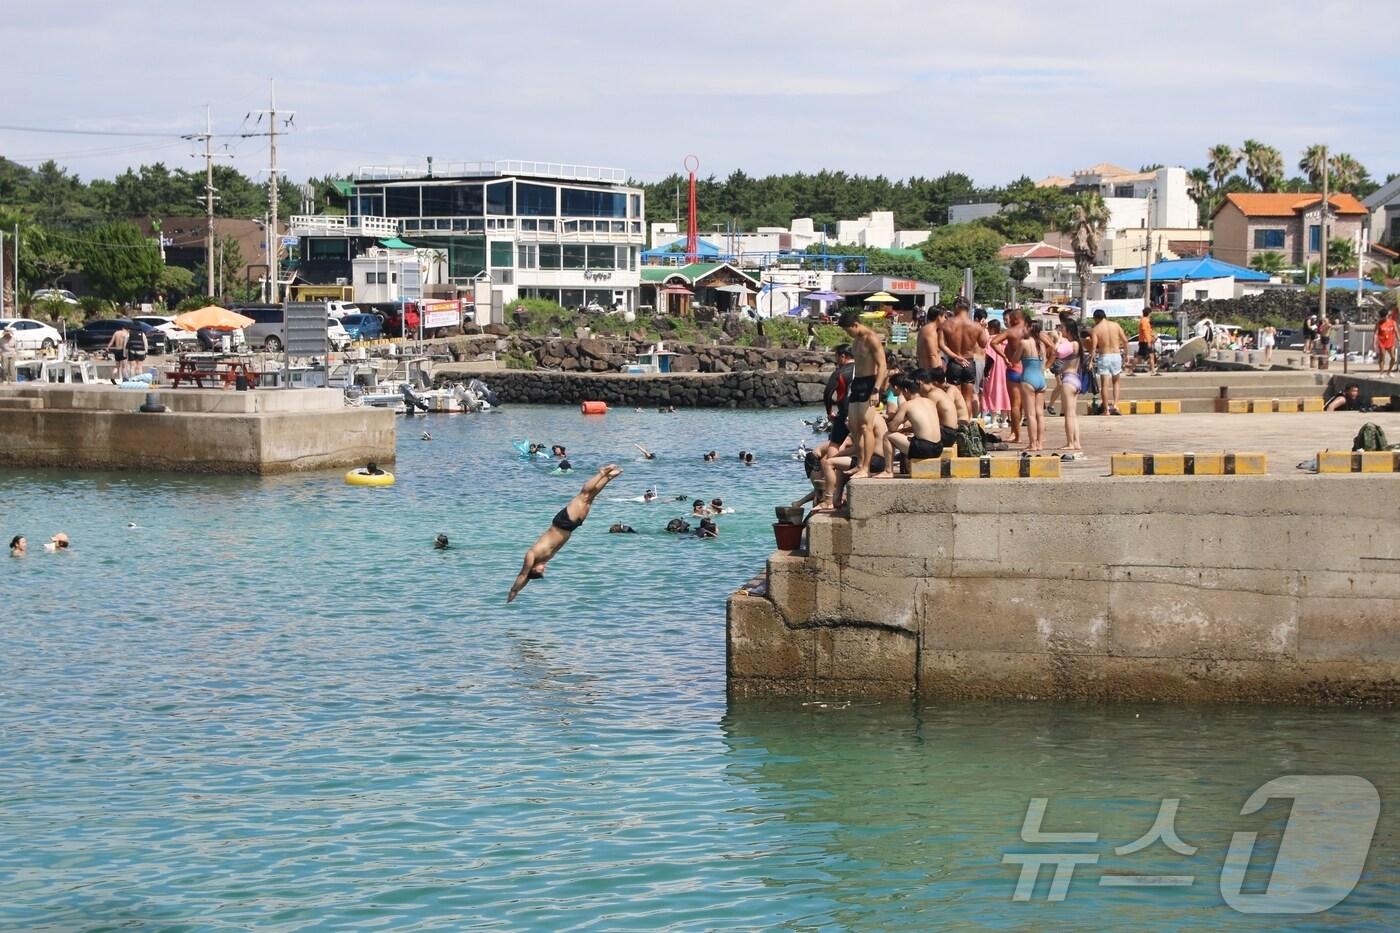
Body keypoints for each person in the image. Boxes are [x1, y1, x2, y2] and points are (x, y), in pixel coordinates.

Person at [507, 464, 623, 602]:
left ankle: (601, 473)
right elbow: (527, 579)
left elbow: (523, 575)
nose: (544, 568)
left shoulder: (531, 555)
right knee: (589, 499)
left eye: (540, 570)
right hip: (571, 527)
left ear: (533, 568)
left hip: (561, 523)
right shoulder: (544, 558)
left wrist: (514, 591)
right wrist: (520, 591)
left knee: (583, 496)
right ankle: (608, 478)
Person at [838, 307, 888, 479]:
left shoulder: (871, 339)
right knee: (854, 426)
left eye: (847, 329)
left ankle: (866, 468)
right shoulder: (856, 340)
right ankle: (859, 463)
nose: (847, 333)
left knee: (867, 427)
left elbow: (883, 366)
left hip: (869, 384)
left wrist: (876, 389)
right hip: (857, 383)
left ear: (855, 324)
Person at [884, 370, 958, 471]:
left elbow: (892, 428)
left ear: (905, 390)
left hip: (925, 448)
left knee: (888, 436)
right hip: (938, 448)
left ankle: (888, 471)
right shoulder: (929, 402)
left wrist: (891, 420)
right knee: (912, 437)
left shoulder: (907, 405)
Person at [940, 298, 989, 416]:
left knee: (955, 397)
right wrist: (983, 328)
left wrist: (955, 356)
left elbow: (941, 345)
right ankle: (966, 425)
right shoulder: (976, 326)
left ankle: (955, 425)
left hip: (954, 363)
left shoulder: (946, 324)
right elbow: (983, 344)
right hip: (969, 362)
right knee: (967, 398)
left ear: (956, 307)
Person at [1019, 320, 1054, 452]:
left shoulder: (1024, 343)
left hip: (1028, 378)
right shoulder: (1042, 345)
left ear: (1029, 329)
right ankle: (1040, 443)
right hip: (1040, 378)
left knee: (1030, 414)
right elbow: (1052, 352)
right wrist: (1046, 366)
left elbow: (1015, 359)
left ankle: (1032, 443)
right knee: (1040, 414)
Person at [1053, 318, 1085, 456]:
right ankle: (1076, 442)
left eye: (1063, 329)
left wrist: (1059, 339)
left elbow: (1057, 352)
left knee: (1068, 414)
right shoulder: (1077, 344)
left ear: (1069, 330)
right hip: (1076, 379)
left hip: (1068, 379)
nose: (1061, 331)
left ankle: (1070, 443)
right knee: (1073, 414)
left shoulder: (1072, 344)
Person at [1089, 309, 1129, 415]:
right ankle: (1115, 405)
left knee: (1104, 385)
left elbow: (1093, 347)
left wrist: (1091, 360)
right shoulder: (1115, 325)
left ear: (1095, 318)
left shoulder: (1096, 329)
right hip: (1116, 355)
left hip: (1104, 356)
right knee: (1116, 382)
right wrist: (1126, 355)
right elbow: (1125, 340)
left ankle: (1106, 409)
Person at [823, 344, 856, 446]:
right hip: (862, 413)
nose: (835, 359)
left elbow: (828, 393)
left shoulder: (839, 372)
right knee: (858, 444)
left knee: (835, 445)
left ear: (842, 356)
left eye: (836, 356)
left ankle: (831, 461)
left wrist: (829, 412)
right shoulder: (864, 370)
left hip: (845, 414)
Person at [981, 319, 1011, 428]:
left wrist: (985, 371)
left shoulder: (991, 340)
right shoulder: (1006, 340)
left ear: (992, 329)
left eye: (988, 328)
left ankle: (993, 420)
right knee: (1005, 393)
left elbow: (990, 358)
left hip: (994, 370)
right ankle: (1004, 420)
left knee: (992, 393)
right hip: (1005, 369)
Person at [916, 308, 944, 372]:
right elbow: (932, 355)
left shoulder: (923, 329)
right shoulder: (931, 332)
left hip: (924, 370)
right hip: (930, 373)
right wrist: (936, 375)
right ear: (939, 317)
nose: (945, 319)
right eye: (944, 317)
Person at [1374, 311, 1397, 376]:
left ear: (1387, 315)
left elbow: (1396, 331)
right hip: (1382, 342)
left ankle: (1389, 372)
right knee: (1382, 357)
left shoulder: (1393, 322)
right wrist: (1374, 343)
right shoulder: (1379, 323)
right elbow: (1375, 333)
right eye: (1382, 317)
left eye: (1385, 316)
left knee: (1393, 357)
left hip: (1391, 342)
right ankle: (1381, 372)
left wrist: (1398, 338)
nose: (1384, 318)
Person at [1136, 310, 1157, 375]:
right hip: (1145, 341)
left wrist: (1153, 335)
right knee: (1151, 356)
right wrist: (1148, 341)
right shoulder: (1144, 321)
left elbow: (1149, 331)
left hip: (1145, 341)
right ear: (1149, 313)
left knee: (1139, 357)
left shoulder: (1146, 320)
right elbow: (1145, 332)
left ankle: (1130, 370)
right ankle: (1153, 371)